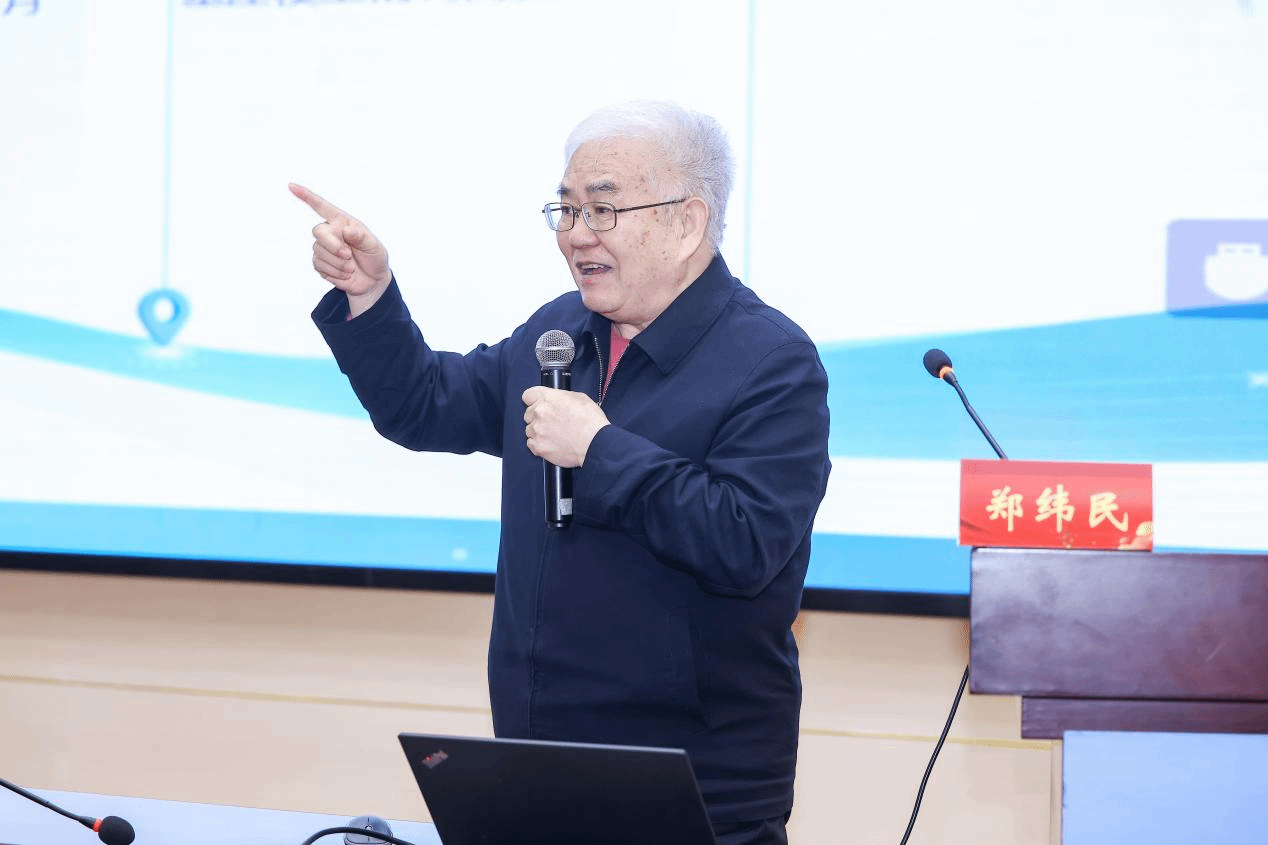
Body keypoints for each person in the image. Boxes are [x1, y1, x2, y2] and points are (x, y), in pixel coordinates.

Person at [292, 100, 832, 845]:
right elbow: (424, 405)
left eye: (603, 210)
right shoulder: (559, 334)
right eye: (567, 209)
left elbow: (745, 544)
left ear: (686, 223)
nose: (577, 235)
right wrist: (370, 295)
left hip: (694, 786)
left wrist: (601, 449)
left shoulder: (772, 362)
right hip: (533, 762)